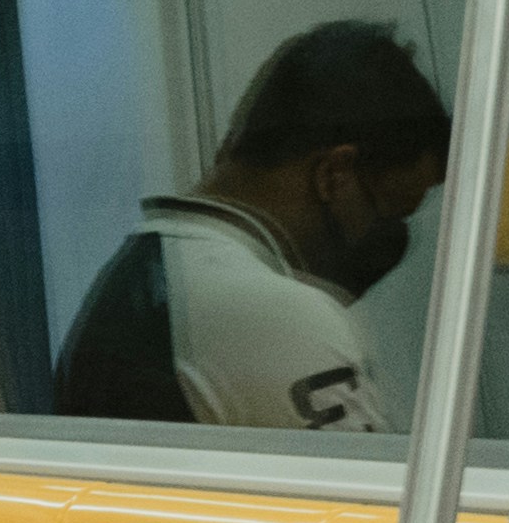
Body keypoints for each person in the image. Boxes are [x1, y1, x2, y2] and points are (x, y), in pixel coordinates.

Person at [53, 21, 451, 433]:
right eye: (388, 212)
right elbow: (374, 496)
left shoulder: (156, 270)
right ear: (334, 174)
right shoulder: (276, 311)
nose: (389, 240)